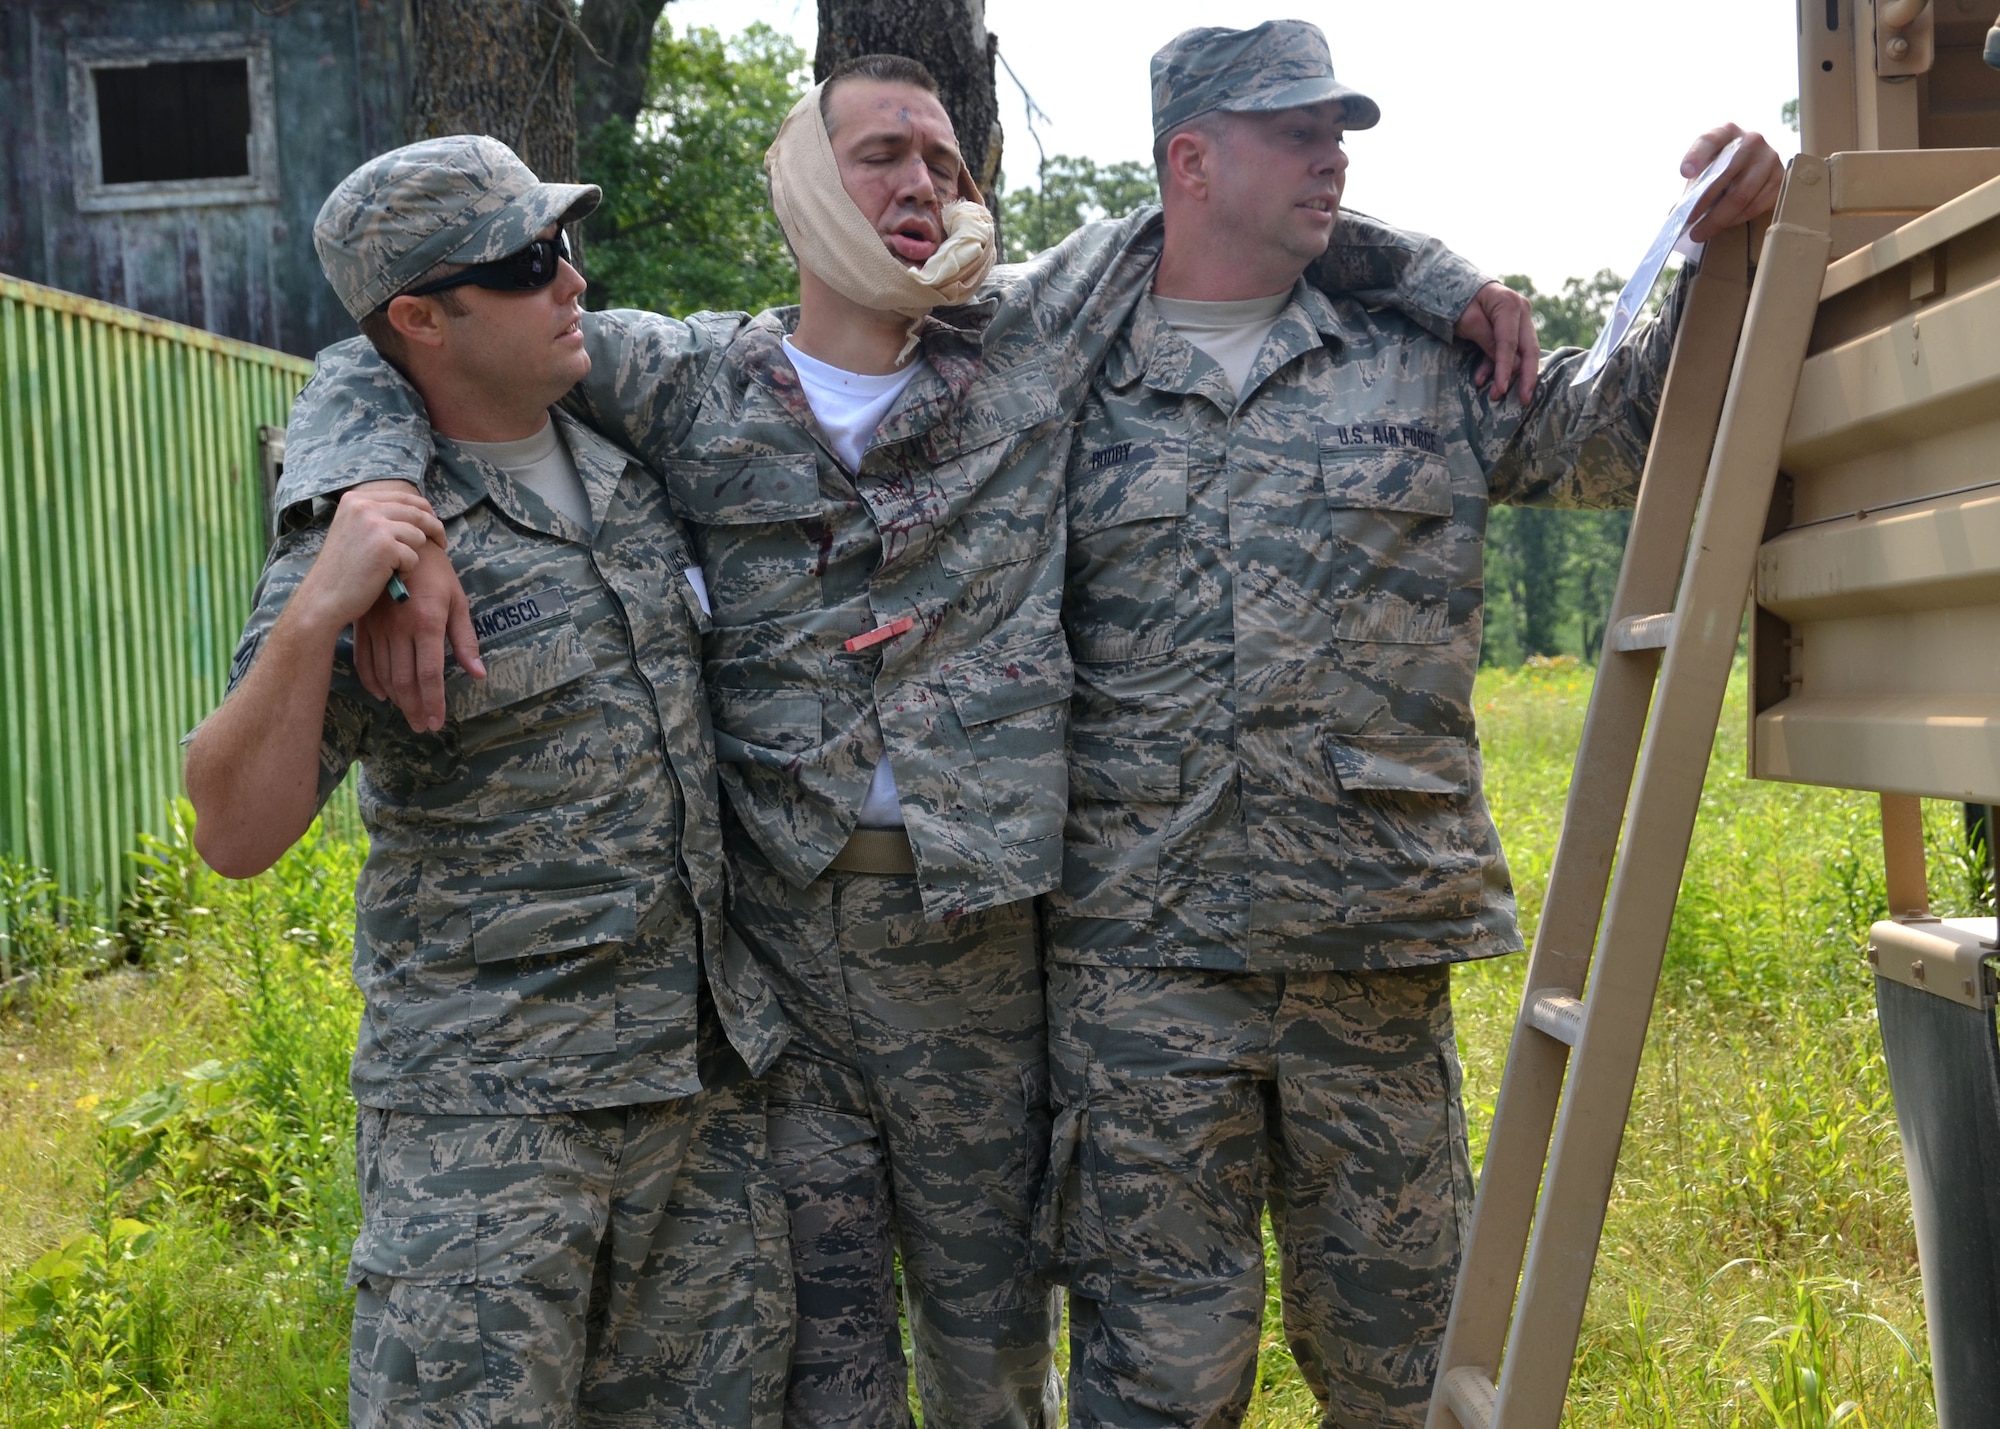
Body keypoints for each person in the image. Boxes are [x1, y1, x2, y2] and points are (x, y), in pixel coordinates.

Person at [259, 56, 1532, 1429]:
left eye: (947, 162)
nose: (922, 185)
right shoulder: (686, 380)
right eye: (880, 155)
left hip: (977, 962)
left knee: (994, 1371)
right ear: (807, 181)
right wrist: (371, 487)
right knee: (831, 1378)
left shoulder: (1027, 341)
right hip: (784, 974)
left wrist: (1441, 277)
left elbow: (1240, 212)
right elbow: (378, 346)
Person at [1035, 21, 1784, 1428]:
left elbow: (1608, 438)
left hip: (1368, 963)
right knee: (1155, 1384)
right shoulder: (1060, 380)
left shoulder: (1418, 356)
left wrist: (1713, 254)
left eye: (1341, 128)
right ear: (1190, 161)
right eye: (1294, 129)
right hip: (1141, 975)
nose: (1334, 154)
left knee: (1399, 1374)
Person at [183, 137, 793, 1428]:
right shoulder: (369, 533)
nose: (573, 280)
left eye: (566, 244)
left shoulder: (628, 459)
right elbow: (231, 825)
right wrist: (320, 616)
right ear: (422, 320)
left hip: (692, 1116)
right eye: (527, 263)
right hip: (491, 1138)